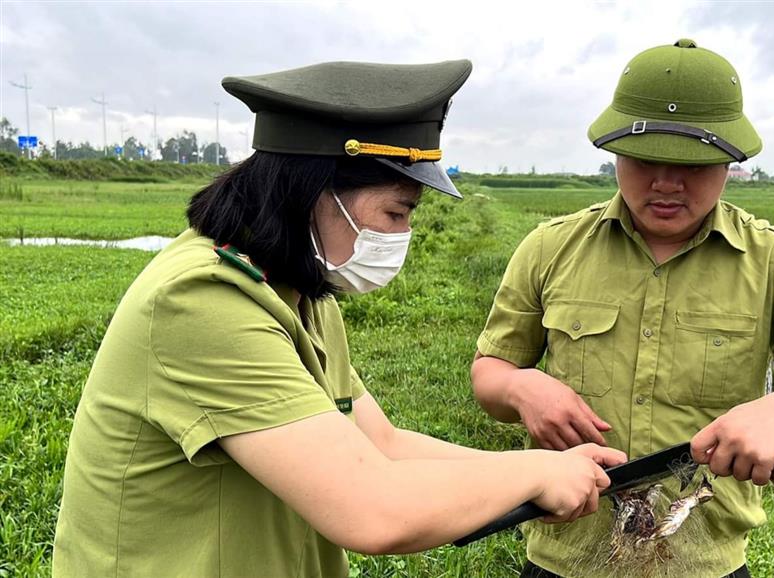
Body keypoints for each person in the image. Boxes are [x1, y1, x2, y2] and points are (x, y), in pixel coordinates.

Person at [52, 59, 626, 577]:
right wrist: (533, 477)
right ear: (311, 192)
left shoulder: (301, 295)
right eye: (396, 212)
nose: (402, 236)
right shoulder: (199, 301)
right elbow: (373, 509)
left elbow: (383, 444)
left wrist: (536, 468)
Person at [470, 39, 774, 578]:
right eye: (644, 159)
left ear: (729, 161)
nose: (665, 182)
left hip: (706, 565)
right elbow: (490, 372)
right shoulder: (549, 248)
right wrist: (522, 388)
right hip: (562, 560)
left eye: (693, 165)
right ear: (614, 151)